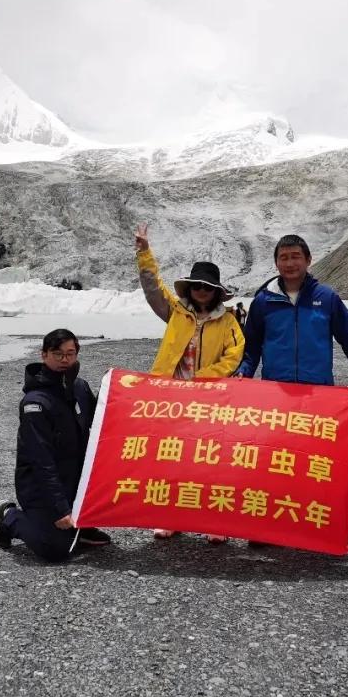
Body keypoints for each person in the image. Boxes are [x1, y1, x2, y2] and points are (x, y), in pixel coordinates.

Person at [135, 223, 245, 543]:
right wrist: (143, 252)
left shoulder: (228, 322)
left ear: (215, 292)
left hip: (210, 400)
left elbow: (234, 356)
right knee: (173, 458)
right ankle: (171, 518)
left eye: (207, 287)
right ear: (190, 288)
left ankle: (215, 522)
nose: (201, 291)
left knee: (213, 459)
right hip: (170, 397)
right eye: (197, 285)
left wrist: (205, 379)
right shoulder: (174, 312)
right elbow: (152, 287)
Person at [0, 329, 112, 562]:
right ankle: (9, 517)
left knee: (88, 541)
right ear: (44, 355)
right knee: (55, 551)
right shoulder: (35, 403)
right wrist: (59, 509)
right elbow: (41, 461)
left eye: (70, 353)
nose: (65, 360)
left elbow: (102, 424)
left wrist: (114, 388)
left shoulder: (80, 388)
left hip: (73, 480)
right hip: (40, 488)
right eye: (57, 354)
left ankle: (79, 527)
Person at [235, 234, 348, 393]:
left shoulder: (326, 298)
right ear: (276, 263)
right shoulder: (263, 301)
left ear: (308, 260)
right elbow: (251, 346)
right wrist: (244, 371)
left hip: (317, 391)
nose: (290, 263)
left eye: (295, 257)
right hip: (276, 390)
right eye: (283, 258)